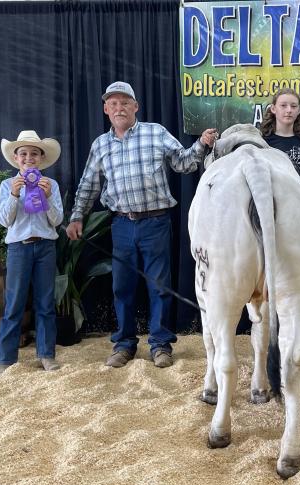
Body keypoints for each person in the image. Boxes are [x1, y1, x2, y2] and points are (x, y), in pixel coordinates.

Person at [65, 81, 217, 369]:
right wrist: (76, 217)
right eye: (113, 103)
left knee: (159, 286)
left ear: (136, 106)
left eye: (125, 102)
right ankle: (124, 345)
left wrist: (200, 145)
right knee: (122, 287)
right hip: (121, 224)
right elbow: (88, 185)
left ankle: (160, 345)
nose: (119, 107)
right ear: (105, 109)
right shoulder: (101, 144)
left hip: (155, 222)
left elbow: (183, 164)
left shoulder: (155, 133)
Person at [0, 130, 64, 378]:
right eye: (23, 153)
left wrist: (47, 196)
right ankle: (5, 359)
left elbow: (56, 220)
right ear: (16, 158)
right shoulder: (7, 185)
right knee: (13, 304)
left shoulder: (50, 185)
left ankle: (46, 355)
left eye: (34, 153)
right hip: (18, 248)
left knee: (45, 303)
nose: (28, 157)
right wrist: (14, 193)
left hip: (45, 247)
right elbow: (4, 220)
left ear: (41, 158)